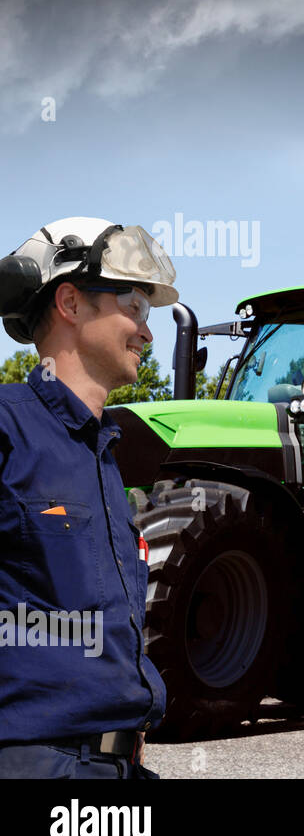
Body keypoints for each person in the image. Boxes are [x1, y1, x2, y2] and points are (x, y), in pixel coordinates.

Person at [0, 217, 177, 778]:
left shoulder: (103, 456)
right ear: (71, 303)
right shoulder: (9, 429)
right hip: (40, 763)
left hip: (119, 764)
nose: (147, 332)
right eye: (135, 307)